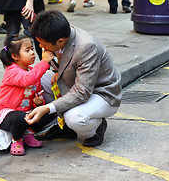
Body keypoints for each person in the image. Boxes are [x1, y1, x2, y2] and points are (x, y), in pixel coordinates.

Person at [26, 10, 122, 147]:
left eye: (43, 44)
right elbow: (61, 63)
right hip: (74, 83)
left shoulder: (86, 47)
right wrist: (57, 71)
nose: (41, 47)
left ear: (60, 41)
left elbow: (82, 91)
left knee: (74, 118)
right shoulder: (56, 36)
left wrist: (47, 108)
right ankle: (65, 128)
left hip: (101, 92)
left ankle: (94, 128)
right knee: (35, 80)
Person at [0, 35, 56, 156]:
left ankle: (28, 133)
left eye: (32, 49)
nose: (32, 53)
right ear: (15, 56)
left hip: (26, 111)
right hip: (7, 114)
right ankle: (17, 139)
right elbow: (28, 80)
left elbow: (35, 91)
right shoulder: (12, 71)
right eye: (27, 50)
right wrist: (44, 62)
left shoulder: (32, 70)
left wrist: (38, 103)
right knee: (21, 117)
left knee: (50, 110)